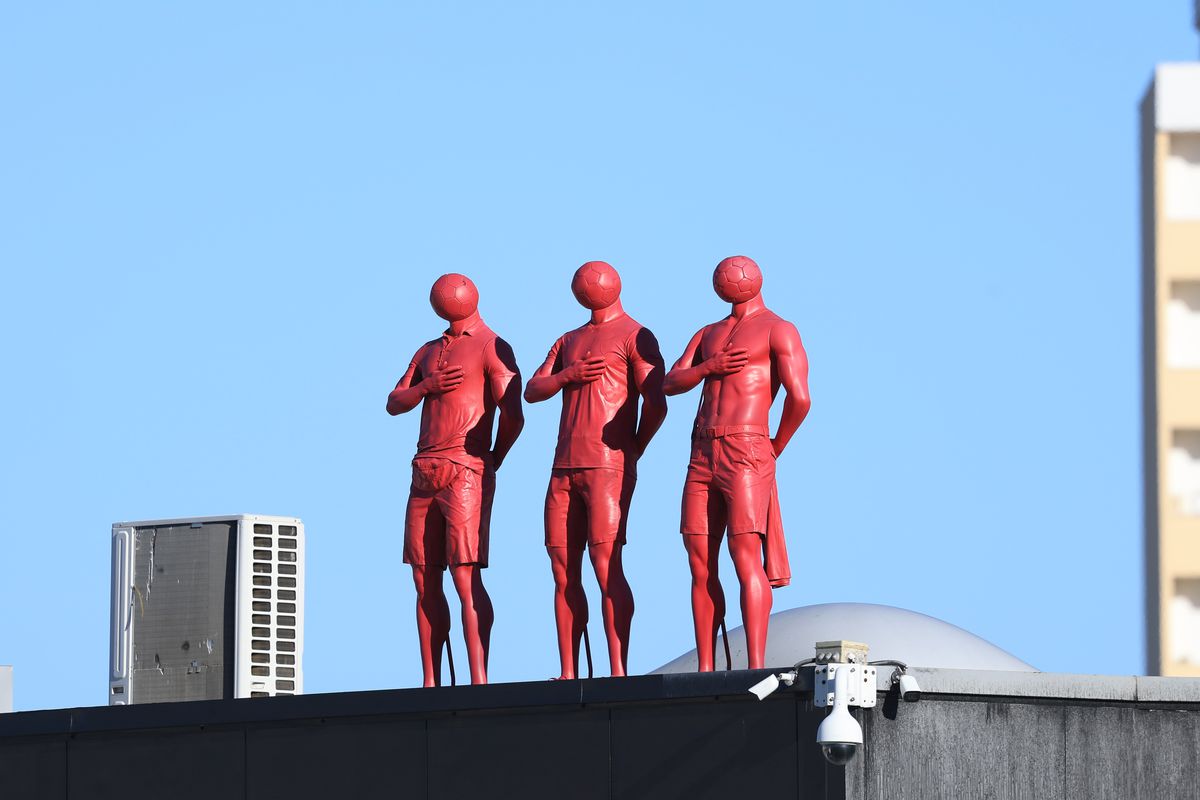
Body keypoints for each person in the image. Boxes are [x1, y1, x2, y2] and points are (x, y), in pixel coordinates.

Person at [663, 256, 810, 671]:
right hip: (702, 451)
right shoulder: (708, 333)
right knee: (698, 558)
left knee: (743, 551)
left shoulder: (779, 329)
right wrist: (709, 368)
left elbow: (800, 398)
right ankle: (706, 667)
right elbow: (670, 382)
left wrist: (773, 446)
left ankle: (755, 665)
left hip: (746, 448)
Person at [524, 261, 667, 678]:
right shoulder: (568, 339)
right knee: (562, 567)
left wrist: (632, 448)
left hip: (607, 465)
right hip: (564, 464)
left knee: (606, 563)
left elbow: (656, 401)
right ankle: (569, 671)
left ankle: (618, 670)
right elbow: (533, 390)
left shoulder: (635, 335)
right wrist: (568, 375)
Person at [386, 273, 524, 686]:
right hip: (424, 469)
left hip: (465, 468)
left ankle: (478, 678)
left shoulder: (491, 346)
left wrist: (492, 457)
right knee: (423, 574)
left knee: (465, 574)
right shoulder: (428, 350)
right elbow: (394, 402)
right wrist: (427, 385)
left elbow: (513, 412)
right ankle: (431, 679)